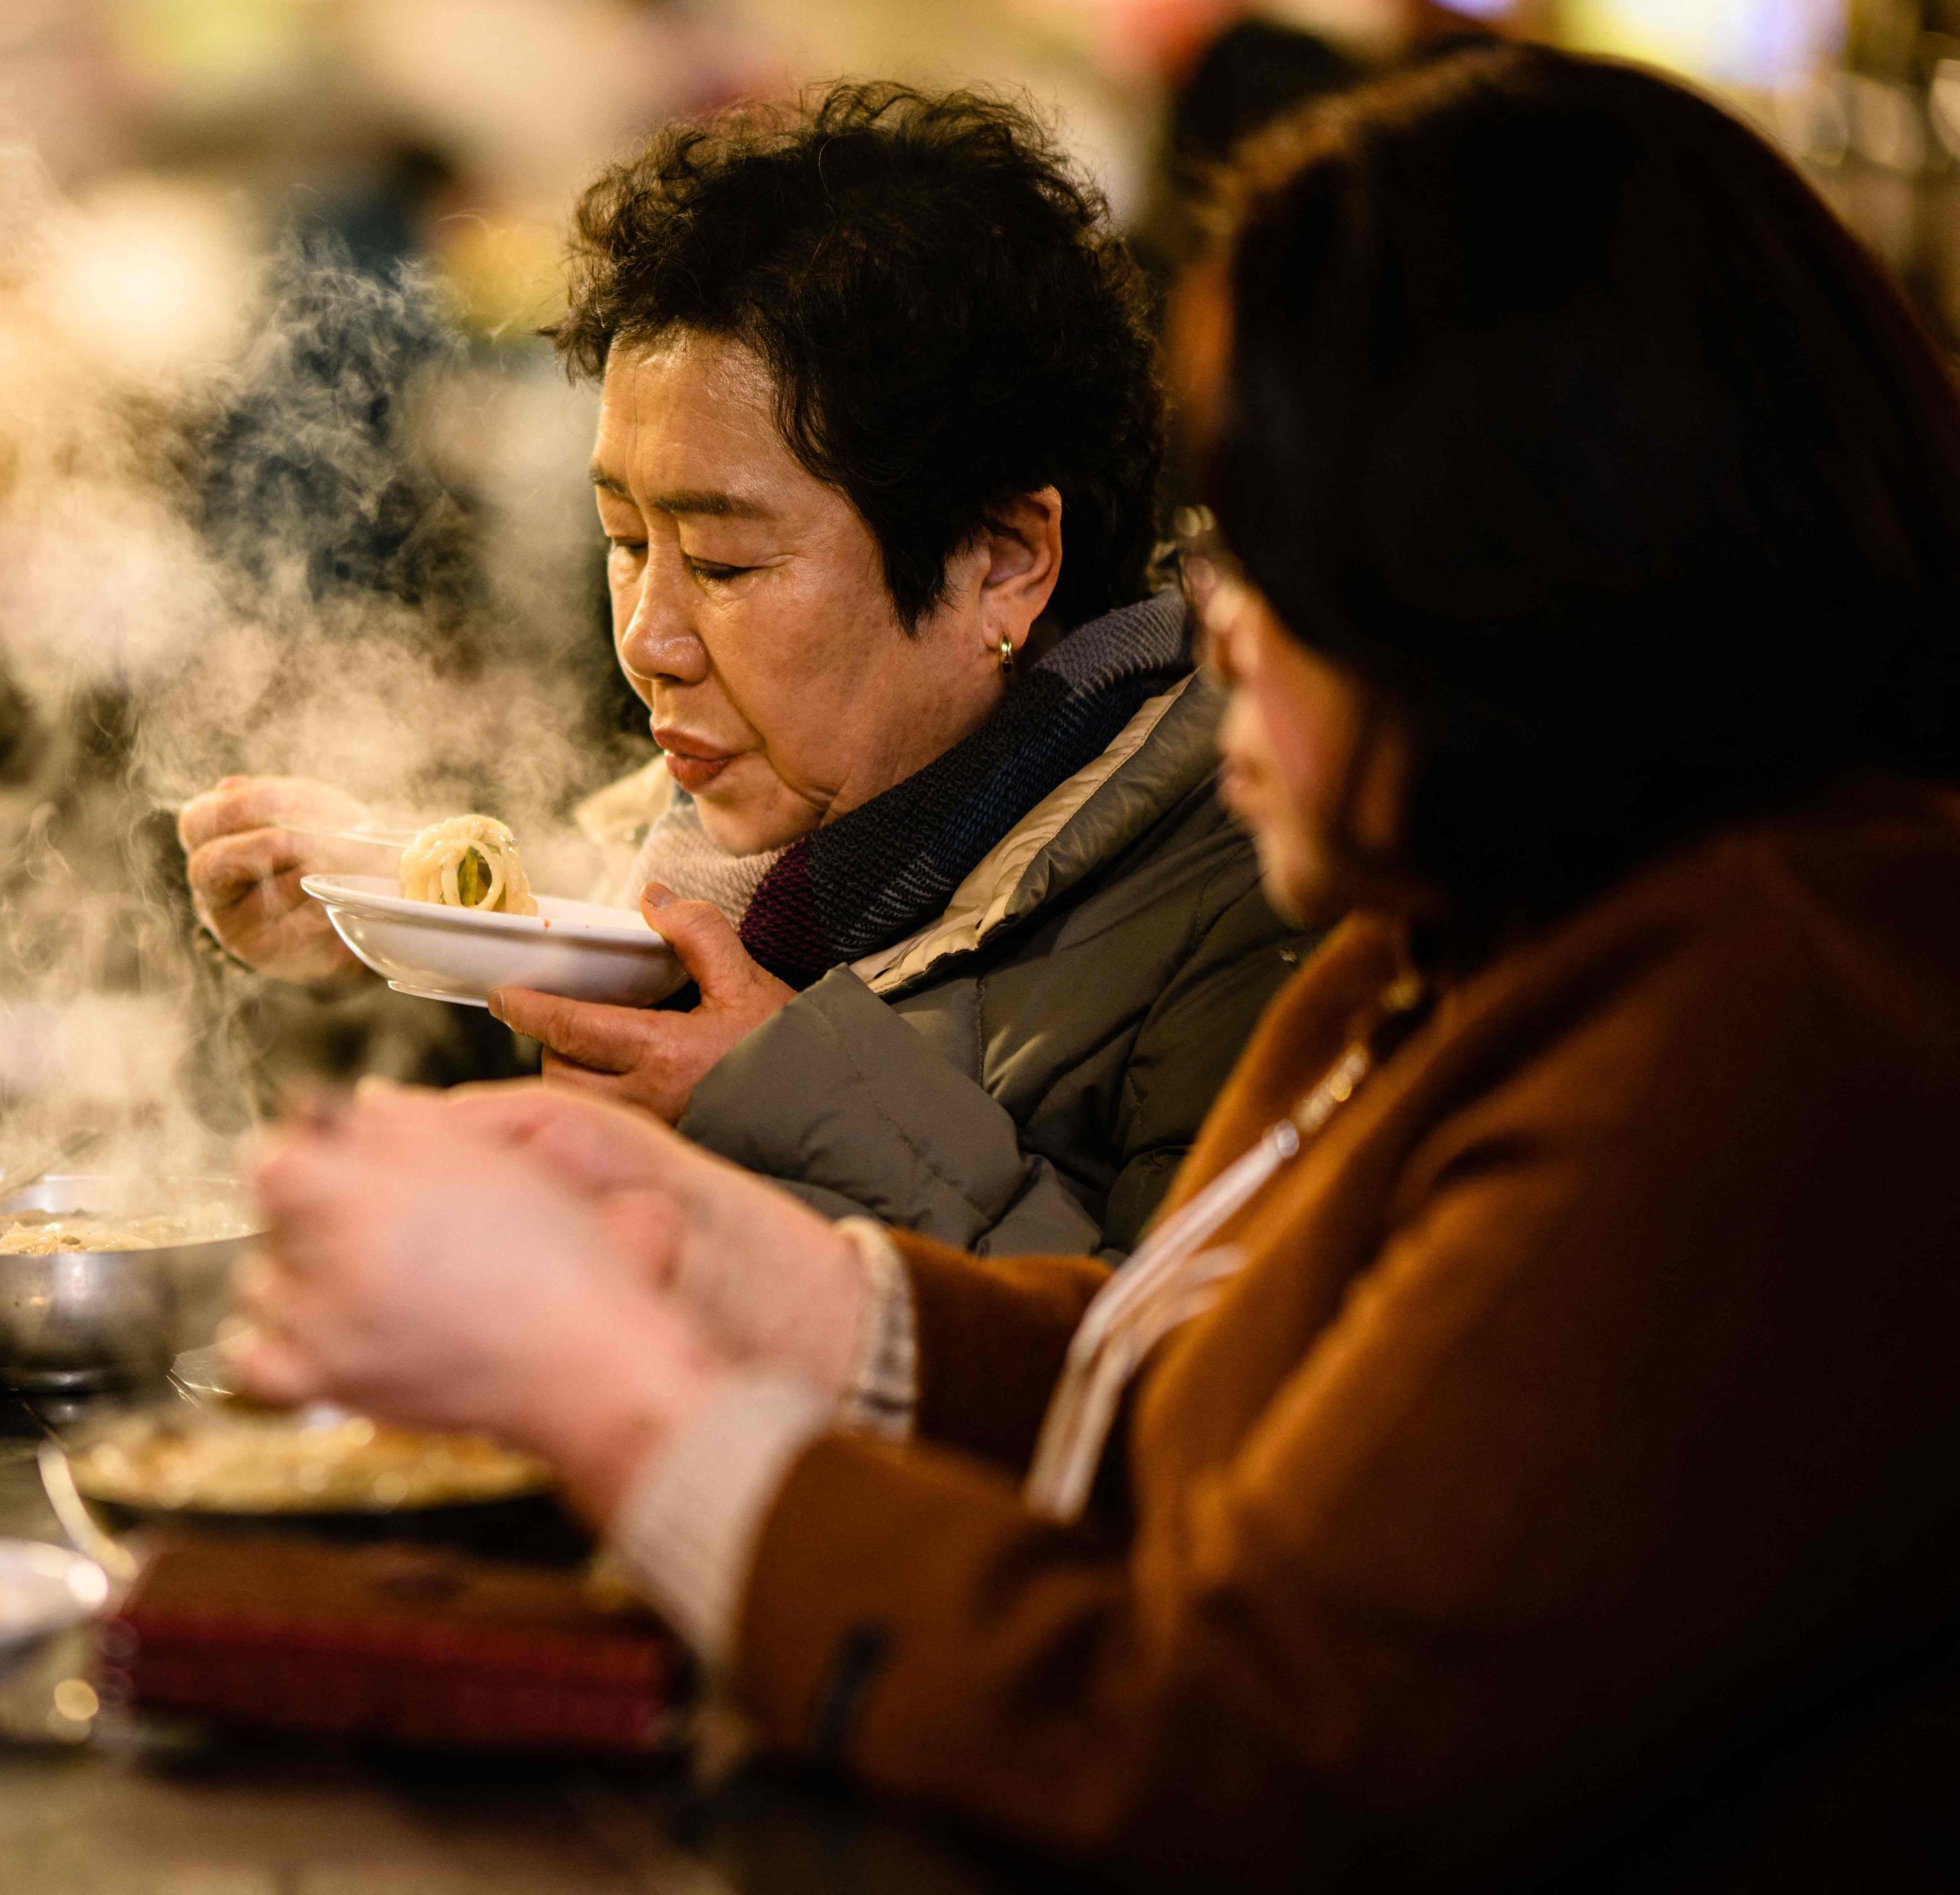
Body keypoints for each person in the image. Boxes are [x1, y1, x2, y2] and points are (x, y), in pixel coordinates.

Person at [225, 47, 1960, 1887]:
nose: (1213, 624)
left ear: (1525, 578)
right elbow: (1214, 1379)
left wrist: (624, 1401)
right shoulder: (1509, 935)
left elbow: (1231, 1750)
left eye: (1284, 561)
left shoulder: (1777, 1029)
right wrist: (768, 1275)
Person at [186, 85, 1310, 1258]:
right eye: (625, 543)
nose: (646, 642)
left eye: (724, 562)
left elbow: (1169, 1390)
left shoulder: (1247, 898)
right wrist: (379, 967)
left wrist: (786, 1107)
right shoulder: (706, 863)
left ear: (1004, 559)